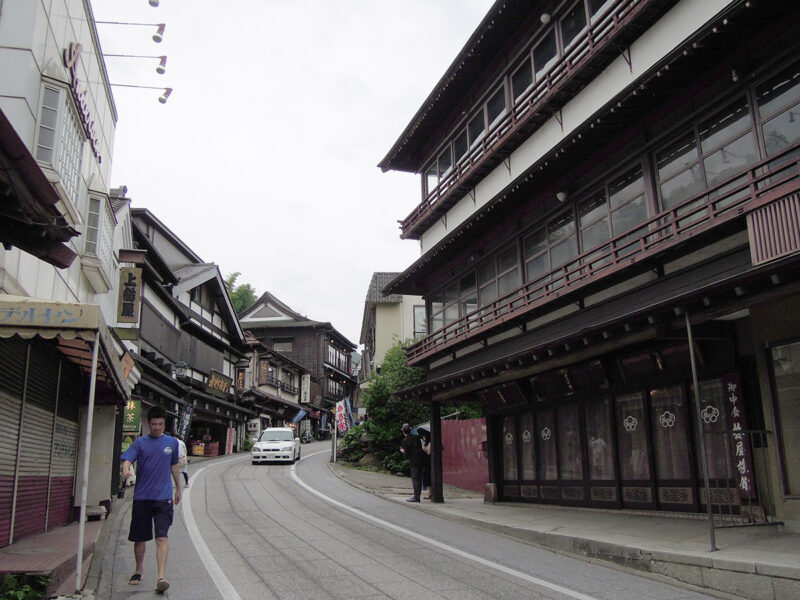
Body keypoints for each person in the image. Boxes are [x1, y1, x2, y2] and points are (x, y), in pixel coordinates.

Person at [120, 406, 182, 594]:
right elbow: (128, 459)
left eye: (161, 424)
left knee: (162, 537)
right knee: (140, 538)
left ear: (165, 424)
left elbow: (174, 466)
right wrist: (125, 467)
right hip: (142, 498)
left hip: (163, 498)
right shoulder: (140, 443)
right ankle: (138, 570)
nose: (157, 427)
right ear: (148, 423)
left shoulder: (172, 442)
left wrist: (179, 488)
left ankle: (161, 576)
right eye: (154, 424)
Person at [399, 423, 424, 502]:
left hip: (413, 461)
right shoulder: (416, 437)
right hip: (421, 459)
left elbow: (406, 453)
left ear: (403, 432)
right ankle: (418, 495)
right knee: (419, 479)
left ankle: (416, 497)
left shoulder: (405, 440)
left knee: (415, 479)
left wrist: (402, 450)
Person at [420, 431, 432, 500]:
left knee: (429, 477)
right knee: (426, 477)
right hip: (425, 462)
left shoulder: (430, 443)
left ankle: (430, 493)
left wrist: (424, 449)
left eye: (424, 436)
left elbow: (428, 453)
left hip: (429, 462)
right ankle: (429, 492)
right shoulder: (425, 444)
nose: (423, 438)